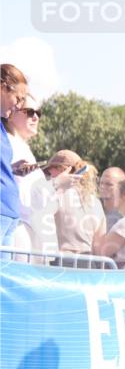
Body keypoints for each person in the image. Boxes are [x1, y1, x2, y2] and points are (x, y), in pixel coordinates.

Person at [5, 93, 59, 257]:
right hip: (17, 229)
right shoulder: (9, 143)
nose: (35, 117)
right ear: (12, 113)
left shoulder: (22, 146)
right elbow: (32, 198)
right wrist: (59, 184)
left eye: (38, 113)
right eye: (29, 112)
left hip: (28, 230)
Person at [46, 151, 107, 256]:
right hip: (87, 264)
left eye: (51, 174)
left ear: (64, 171)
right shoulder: (95, 202)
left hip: (59, 263)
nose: (50, 178)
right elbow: (99, 245)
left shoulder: (56, 195)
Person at [1, 63, 29, 249]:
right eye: (18, 98)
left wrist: (11, 169)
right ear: (3, 88)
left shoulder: (2, 127)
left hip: (10, 213)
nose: (19, 106)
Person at [94, 177, 125, 267]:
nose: (113, 197)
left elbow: (102, 253)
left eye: (115, 193)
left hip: (123, 276)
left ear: (124, 195)